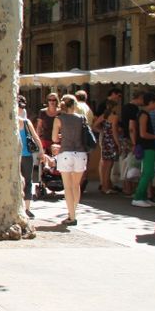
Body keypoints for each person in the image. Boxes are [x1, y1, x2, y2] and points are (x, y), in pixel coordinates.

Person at [52, 94, 88, 226]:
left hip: (66, 152)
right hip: (81, 153)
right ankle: (73, 212)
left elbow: (55, 139)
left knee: (67, 187)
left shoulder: (59, 119)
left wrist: (63, 136)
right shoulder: (82, 118)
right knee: (76, 185)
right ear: (74, 105)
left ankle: (71, 216)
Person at [18, 98, 45, 219]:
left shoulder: (18, 122)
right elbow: (36, 137)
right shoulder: (25, 122)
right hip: (24, 156)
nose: (22, 109)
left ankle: (25, 208)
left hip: (20, 157)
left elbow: (36, 137)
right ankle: (26, 208)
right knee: (26, 181)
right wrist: (41, 151)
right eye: (21, 107)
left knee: (23, 181)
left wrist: (41, 151)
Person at [132, 93, 155, 208]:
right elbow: (143, 133)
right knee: (147, 172)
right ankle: (138, 197)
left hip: (148, 146)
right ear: (151, 102)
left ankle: (143, 197)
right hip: (147, 147)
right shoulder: (144, 115)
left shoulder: (143, 114)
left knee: (148, 172)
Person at [93, 100, 121, 195]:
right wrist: (118, 144)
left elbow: (94, 126)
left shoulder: (104, 115)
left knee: (105, 165)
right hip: (111, 142)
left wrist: (103, 131)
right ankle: (106, 187)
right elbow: (114, 132)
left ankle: (105, 185)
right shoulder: (115, 117)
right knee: (109, 166)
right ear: (114, 107)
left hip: (105, 140)